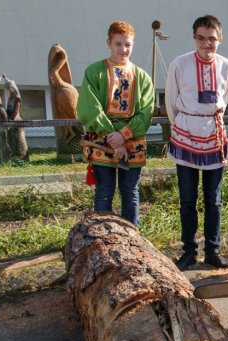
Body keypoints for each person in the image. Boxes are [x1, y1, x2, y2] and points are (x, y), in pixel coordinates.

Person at [165, 15, 228, 270]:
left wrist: (207, 121)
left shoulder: (227, 66)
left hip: (214, 135)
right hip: (185, 134)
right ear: (194, 38)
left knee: (213, 200)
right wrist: (184, 126)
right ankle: (189, 251)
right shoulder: (179, 64)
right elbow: (171, 101)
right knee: (187, 199)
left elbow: (223, 101)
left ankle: (213, 251)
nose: (207, 44)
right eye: (201, 39)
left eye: (212, 39)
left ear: (220, 39)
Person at [77, 21, 154, 226]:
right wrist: (113, 137)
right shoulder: (94, 72)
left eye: (128, 44)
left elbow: (146, 112)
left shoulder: (143, 78)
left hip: (132, 142)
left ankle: (133, 239)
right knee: (104, 190)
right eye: (118, 44)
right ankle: (102, 239)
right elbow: (89, 107)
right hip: (103, 140)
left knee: (130, 191)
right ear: (109, 43)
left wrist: (123, 135)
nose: (123, 49)